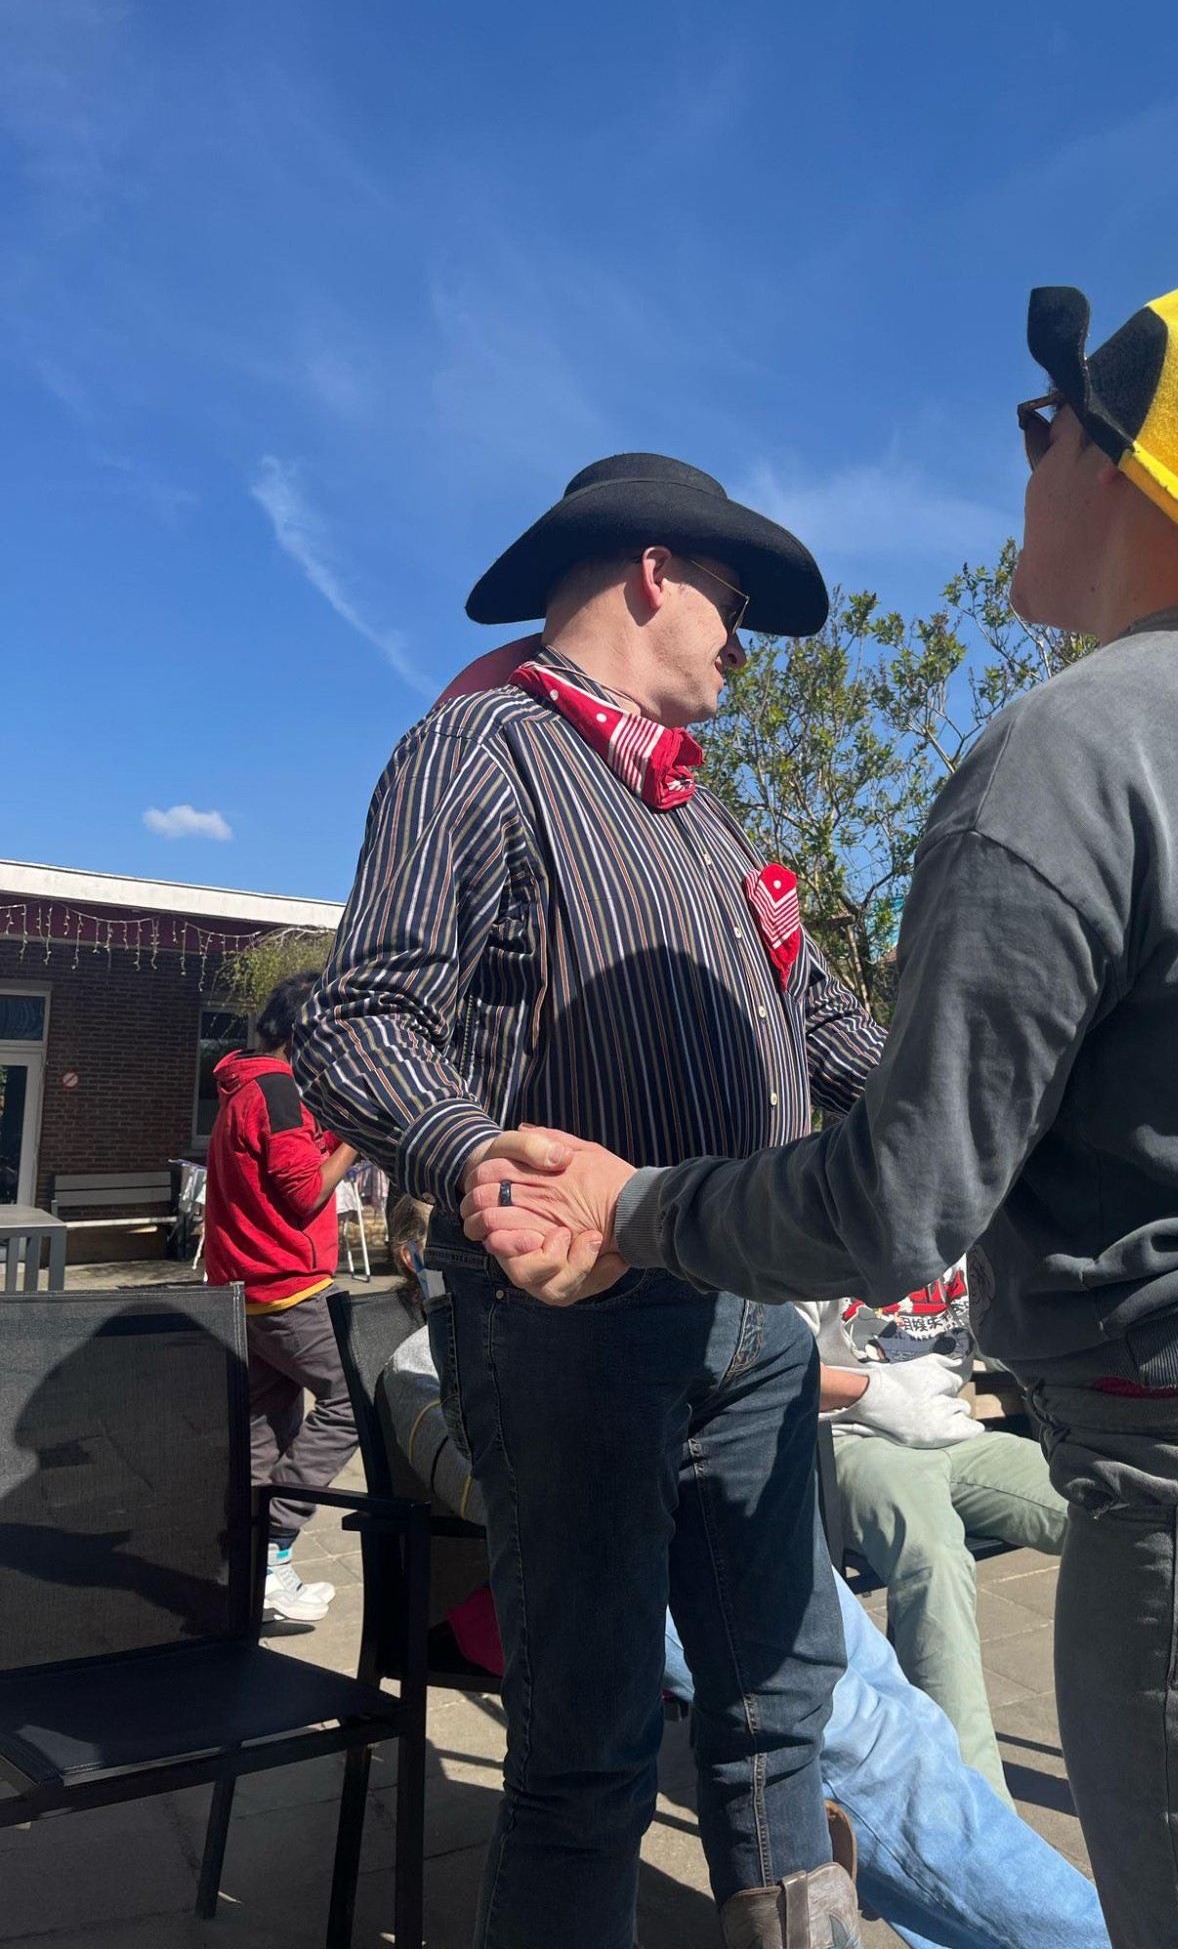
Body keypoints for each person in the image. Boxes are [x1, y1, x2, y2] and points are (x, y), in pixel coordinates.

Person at [467, 271, 1178, 1949]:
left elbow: (903, 1203)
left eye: (1042, 426)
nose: (1022, 461)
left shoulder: (1064, 755)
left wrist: (633, 1206)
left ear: (1115, 466)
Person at [293, 454, 888, 1949]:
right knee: (593, 1745)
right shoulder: (477, 750)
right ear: (651, 571)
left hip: (750, 1306)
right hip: (570, 1321)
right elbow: (359, 1019)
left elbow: (828, 1030)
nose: (743, 644)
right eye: (732, 602)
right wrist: (478, 1155)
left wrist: (996, 1102)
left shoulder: (704, 818)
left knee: (781, 1712)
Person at [378, 1192, 1110, 1949]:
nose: (528, 1229)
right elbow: (500, 1491)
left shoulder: (677, 1301)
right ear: (423, 1259)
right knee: (855, 1741)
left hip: (721, 1530)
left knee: (897, 1718)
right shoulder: (422, 1358)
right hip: (599, 1566)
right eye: (480, 1218)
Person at [805, 1266, 1066, 1804]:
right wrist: (870, 1390)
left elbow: (1012, 1337)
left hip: (958, 1436)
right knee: (935, 1560)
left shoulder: (971, 1239)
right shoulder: (810, 1232)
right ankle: (975, 1809)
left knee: (1105, 1510)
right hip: (855, 1442)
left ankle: (1160, 1746)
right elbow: (772, 1364)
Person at [202, 970, 359, 1623]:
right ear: (305, 1035)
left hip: (245, 1289)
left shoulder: (247, 1085)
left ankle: (252, 1576)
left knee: (266, 1430)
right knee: (354, 1399)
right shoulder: (279, 1090)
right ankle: (277, 1534)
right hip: (286, 1290)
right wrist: (357, 1137)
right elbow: (304, 1194)